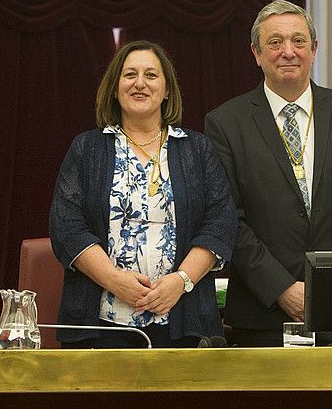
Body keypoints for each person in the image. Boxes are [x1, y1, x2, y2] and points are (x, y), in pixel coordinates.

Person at [204, 0, 332, 347]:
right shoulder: (225, 123)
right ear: (256, 53)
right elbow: (228, 219)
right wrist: (282, 288)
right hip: (262, 314)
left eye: (299, 41)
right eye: (275, 43)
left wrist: (330, 284)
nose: (288, 51)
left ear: (314, 50)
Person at [49, 40, 236, 348]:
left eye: (151, 75)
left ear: (166, 90)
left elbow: (220, 223)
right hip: (101, 325)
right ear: (114, 88)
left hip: (183, 319)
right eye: (129, 75)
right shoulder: (87, 149)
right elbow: (66, 227)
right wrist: (113, 280)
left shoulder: (197, 149)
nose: (140, 83)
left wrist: (181, 281)